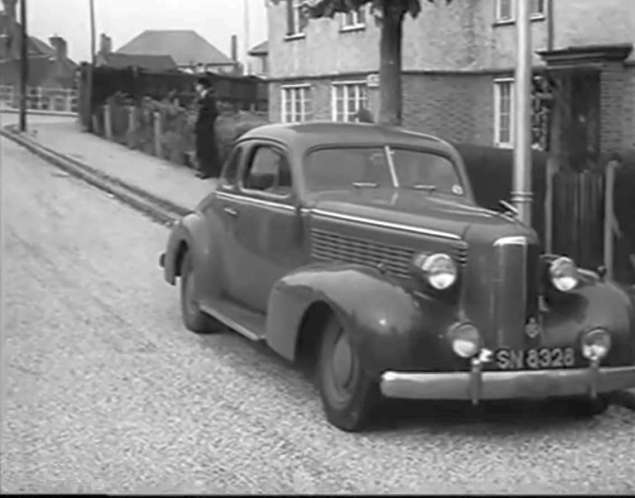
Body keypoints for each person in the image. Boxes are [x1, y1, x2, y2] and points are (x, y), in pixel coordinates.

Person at [194, 75, 220, 179]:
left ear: (203, 86)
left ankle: (207, 171)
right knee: (202, 149)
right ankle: (203, 169)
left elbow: (213, 112)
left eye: (198, 85)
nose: (196, 87)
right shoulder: (202, 97)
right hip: (202, 128)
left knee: (206, 149)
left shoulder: (209, 97)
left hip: (206, 128)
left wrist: (205, 125)